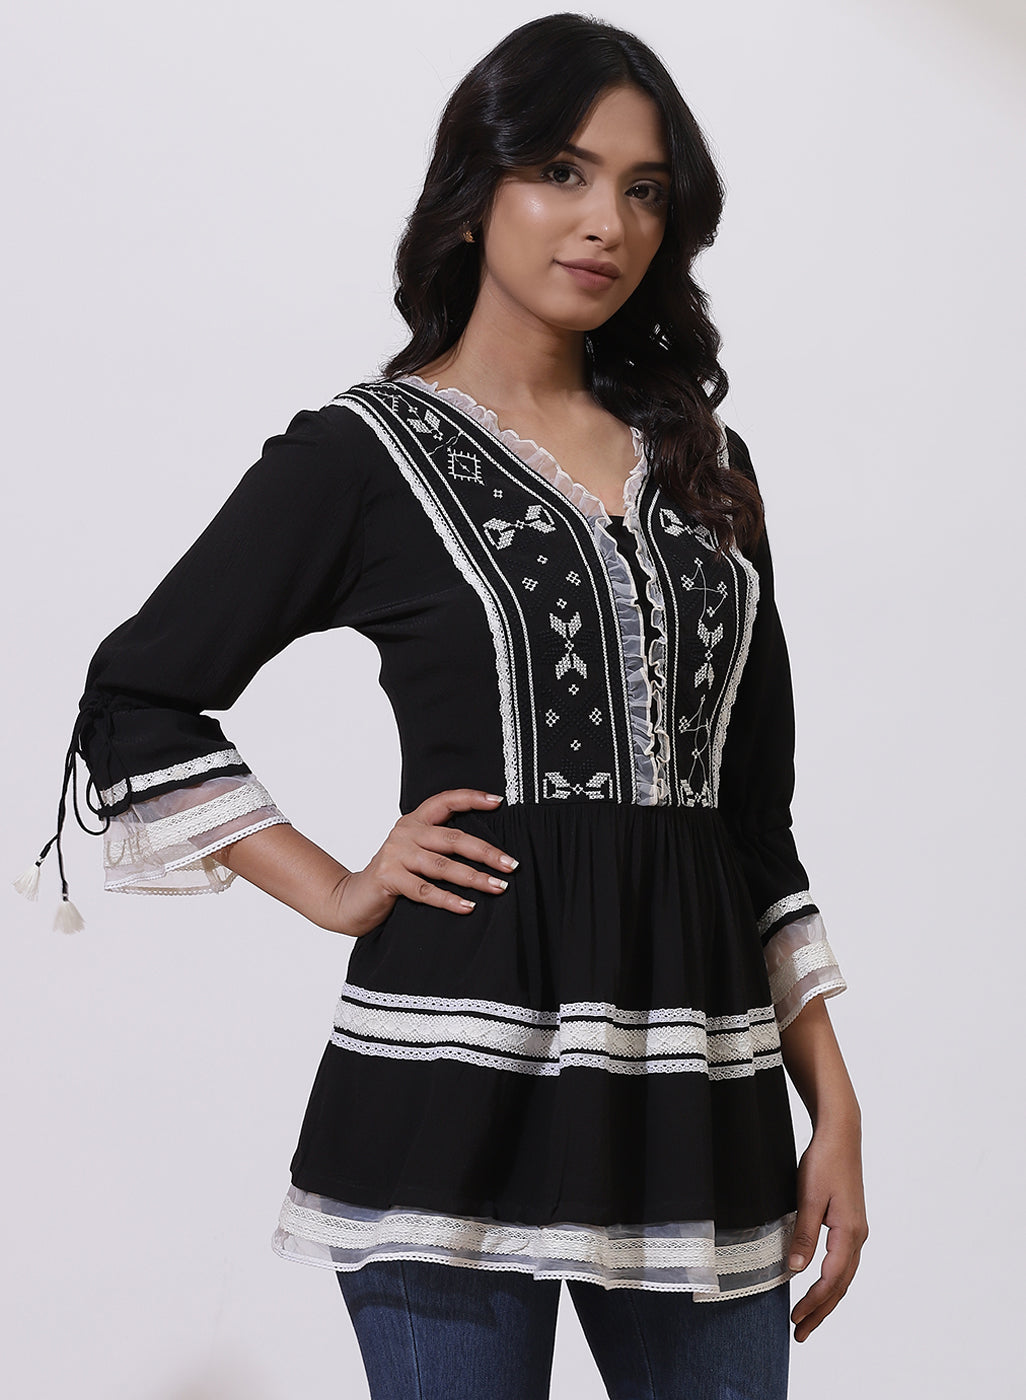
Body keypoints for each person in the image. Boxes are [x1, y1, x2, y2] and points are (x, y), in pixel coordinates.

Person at [14, 13, 868, 1399]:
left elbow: (751, 825)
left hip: (698, 1103)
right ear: (476, 190)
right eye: (562, 172)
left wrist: (832, 1104)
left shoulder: (707, 468)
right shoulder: (361, 456)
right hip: (446, 1089)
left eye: (644, 190)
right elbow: (140, 693)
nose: (604, 223)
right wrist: (335, 887)